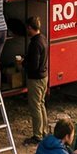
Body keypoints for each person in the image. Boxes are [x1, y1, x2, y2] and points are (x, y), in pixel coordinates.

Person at [21, 16, 48, 145]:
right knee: (41, 104)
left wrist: (23, 63)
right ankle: (44, 131)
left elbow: (34, 66)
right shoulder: (43, 38)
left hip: (35, 79)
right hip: (44, 77)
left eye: (27, 28)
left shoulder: (35, 43)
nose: (27, 30)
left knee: (35, 107)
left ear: (30, 28)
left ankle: (37, 135)